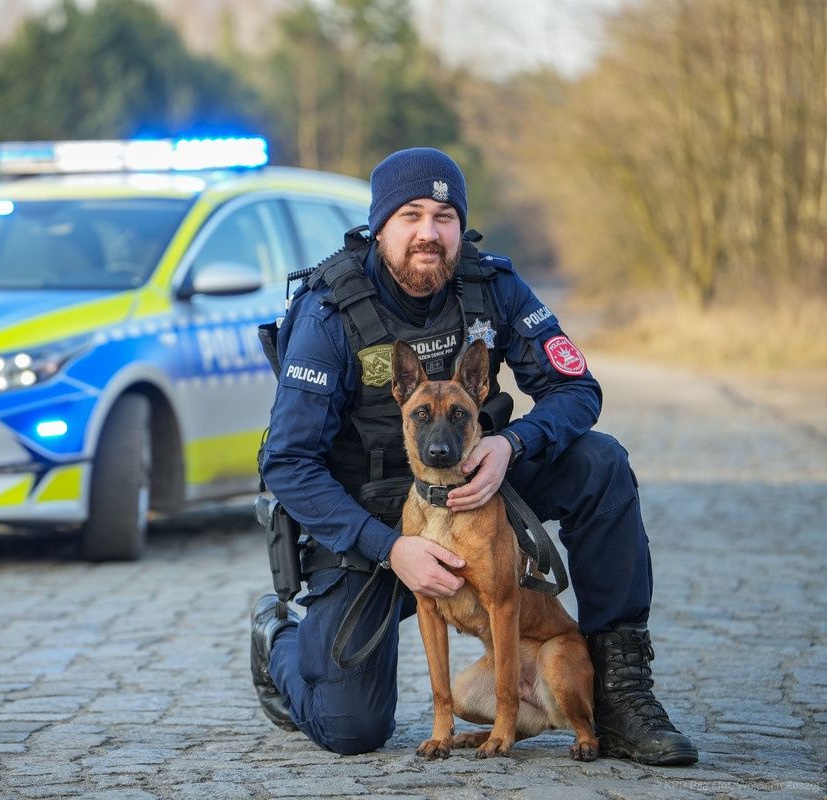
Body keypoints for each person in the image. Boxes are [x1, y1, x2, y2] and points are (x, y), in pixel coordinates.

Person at [250, 147, 698, 765]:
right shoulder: (329, 313)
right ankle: (279, 638)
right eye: (411, 215)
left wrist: (510, 445)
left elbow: (576, 389)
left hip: (480, 489)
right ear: (380, 225)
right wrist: (390, 548)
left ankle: (619, 695)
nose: (429, 233)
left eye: (444, 216)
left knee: (602, 464)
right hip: (367, 521)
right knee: (349, 727)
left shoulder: (494, 285)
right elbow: (288, 462)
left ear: (462, 224)